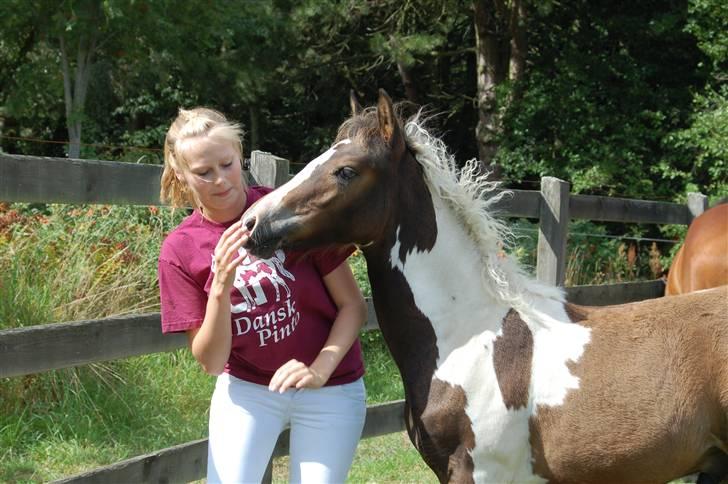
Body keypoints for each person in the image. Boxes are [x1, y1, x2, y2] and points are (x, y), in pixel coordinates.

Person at [158, 107, 367, 483]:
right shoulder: (180, 248)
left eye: (227, 164)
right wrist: (220, 287)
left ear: (240, 155)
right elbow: (210, 361)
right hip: (249, 388)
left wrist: (318, 370)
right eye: (203, 173)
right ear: (181, 175)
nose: (220, 180)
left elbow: (352, 306)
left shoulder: (289, 213)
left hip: (331, 382)